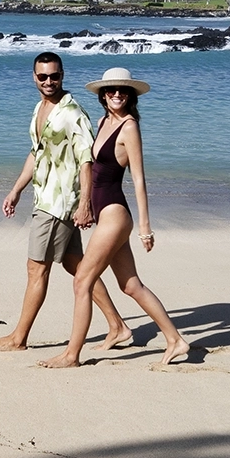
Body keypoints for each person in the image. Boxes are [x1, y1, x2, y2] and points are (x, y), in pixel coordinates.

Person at [38, 66, 192, 368]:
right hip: (103, 212)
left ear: (131, 95)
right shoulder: (104, 120)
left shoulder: (130, 127)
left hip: (115, 214)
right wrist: (84, 205)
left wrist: (145, 228)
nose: (117, 94)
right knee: (131, 284)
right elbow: (93, 172)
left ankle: (71, 355)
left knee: (82, 280)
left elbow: (138, 179)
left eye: (123, 90)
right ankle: (175, 340)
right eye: (111, 90)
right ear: (103, 95)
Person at [0, 52, 131, 353]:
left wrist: (84, 205)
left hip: (58, 203)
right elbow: (36, 152)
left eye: (54, 76)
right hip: (45, 196)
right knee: (77, 266)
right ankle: (117, 326)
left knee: (35, 268)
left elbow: (86, 161)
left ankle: (19, 338)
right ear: (34, 77)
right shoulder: (40, 108)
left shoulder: (73, 113)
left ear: (63, 75)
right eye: (43, 77)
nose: (49, 81)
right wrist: (16, 190)